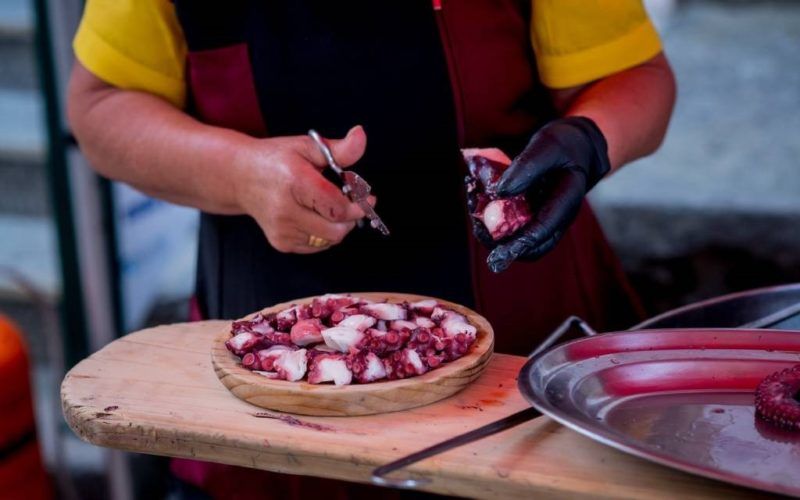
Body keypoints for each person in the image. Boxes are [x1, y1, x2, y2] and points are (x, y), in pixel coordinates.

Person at [68, 0, 675, 497]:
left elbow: (638, 79)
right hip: (267, 373)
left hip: (524, 343)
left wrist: (589, 140)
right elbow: (101, 106)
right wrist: (237, 173)